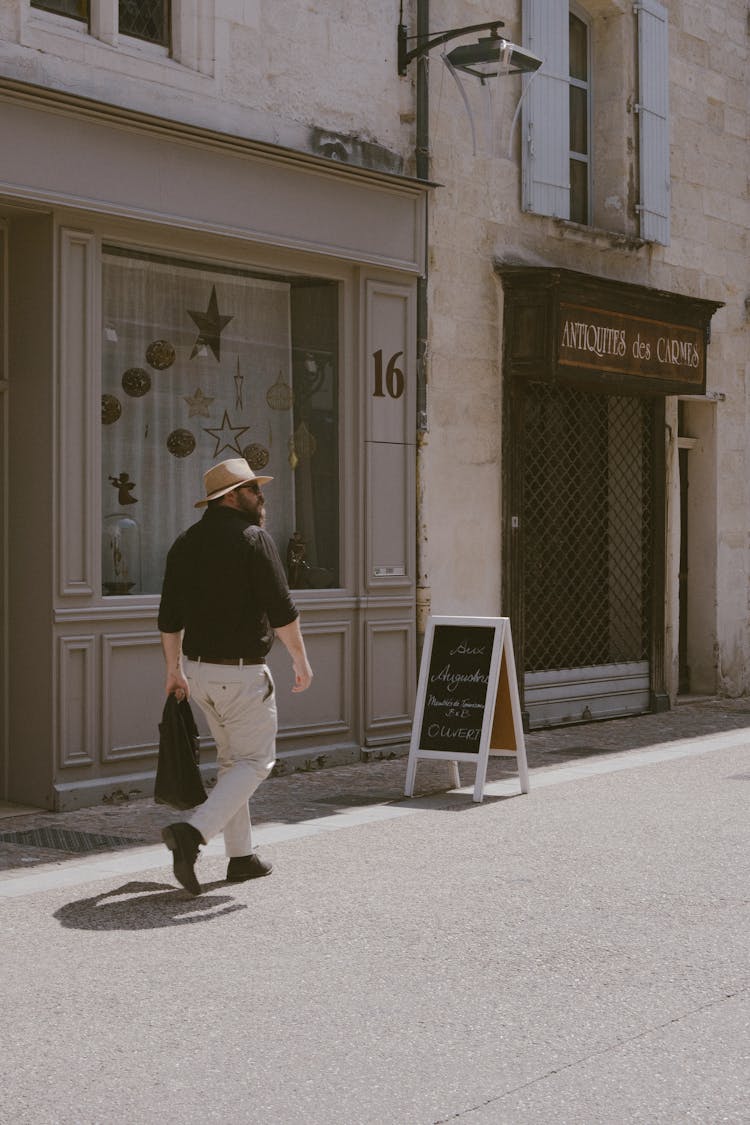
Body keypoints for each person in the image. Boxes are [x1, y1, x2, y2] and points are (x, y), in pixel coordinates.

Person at [157, 457, 313, 895]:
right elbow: (283, 610)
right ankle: (193, 833)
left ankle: (241, 857)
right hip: (240, 676)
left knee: (232, 763)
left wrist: (173, 671)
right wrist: (301, 660)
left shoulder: (185, 542)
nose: (262, 497)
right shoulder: (252, 539)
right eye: (253, 490)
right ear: (230, 496)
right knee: (255, 762)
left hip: (198, 674)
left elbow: (169, 617)